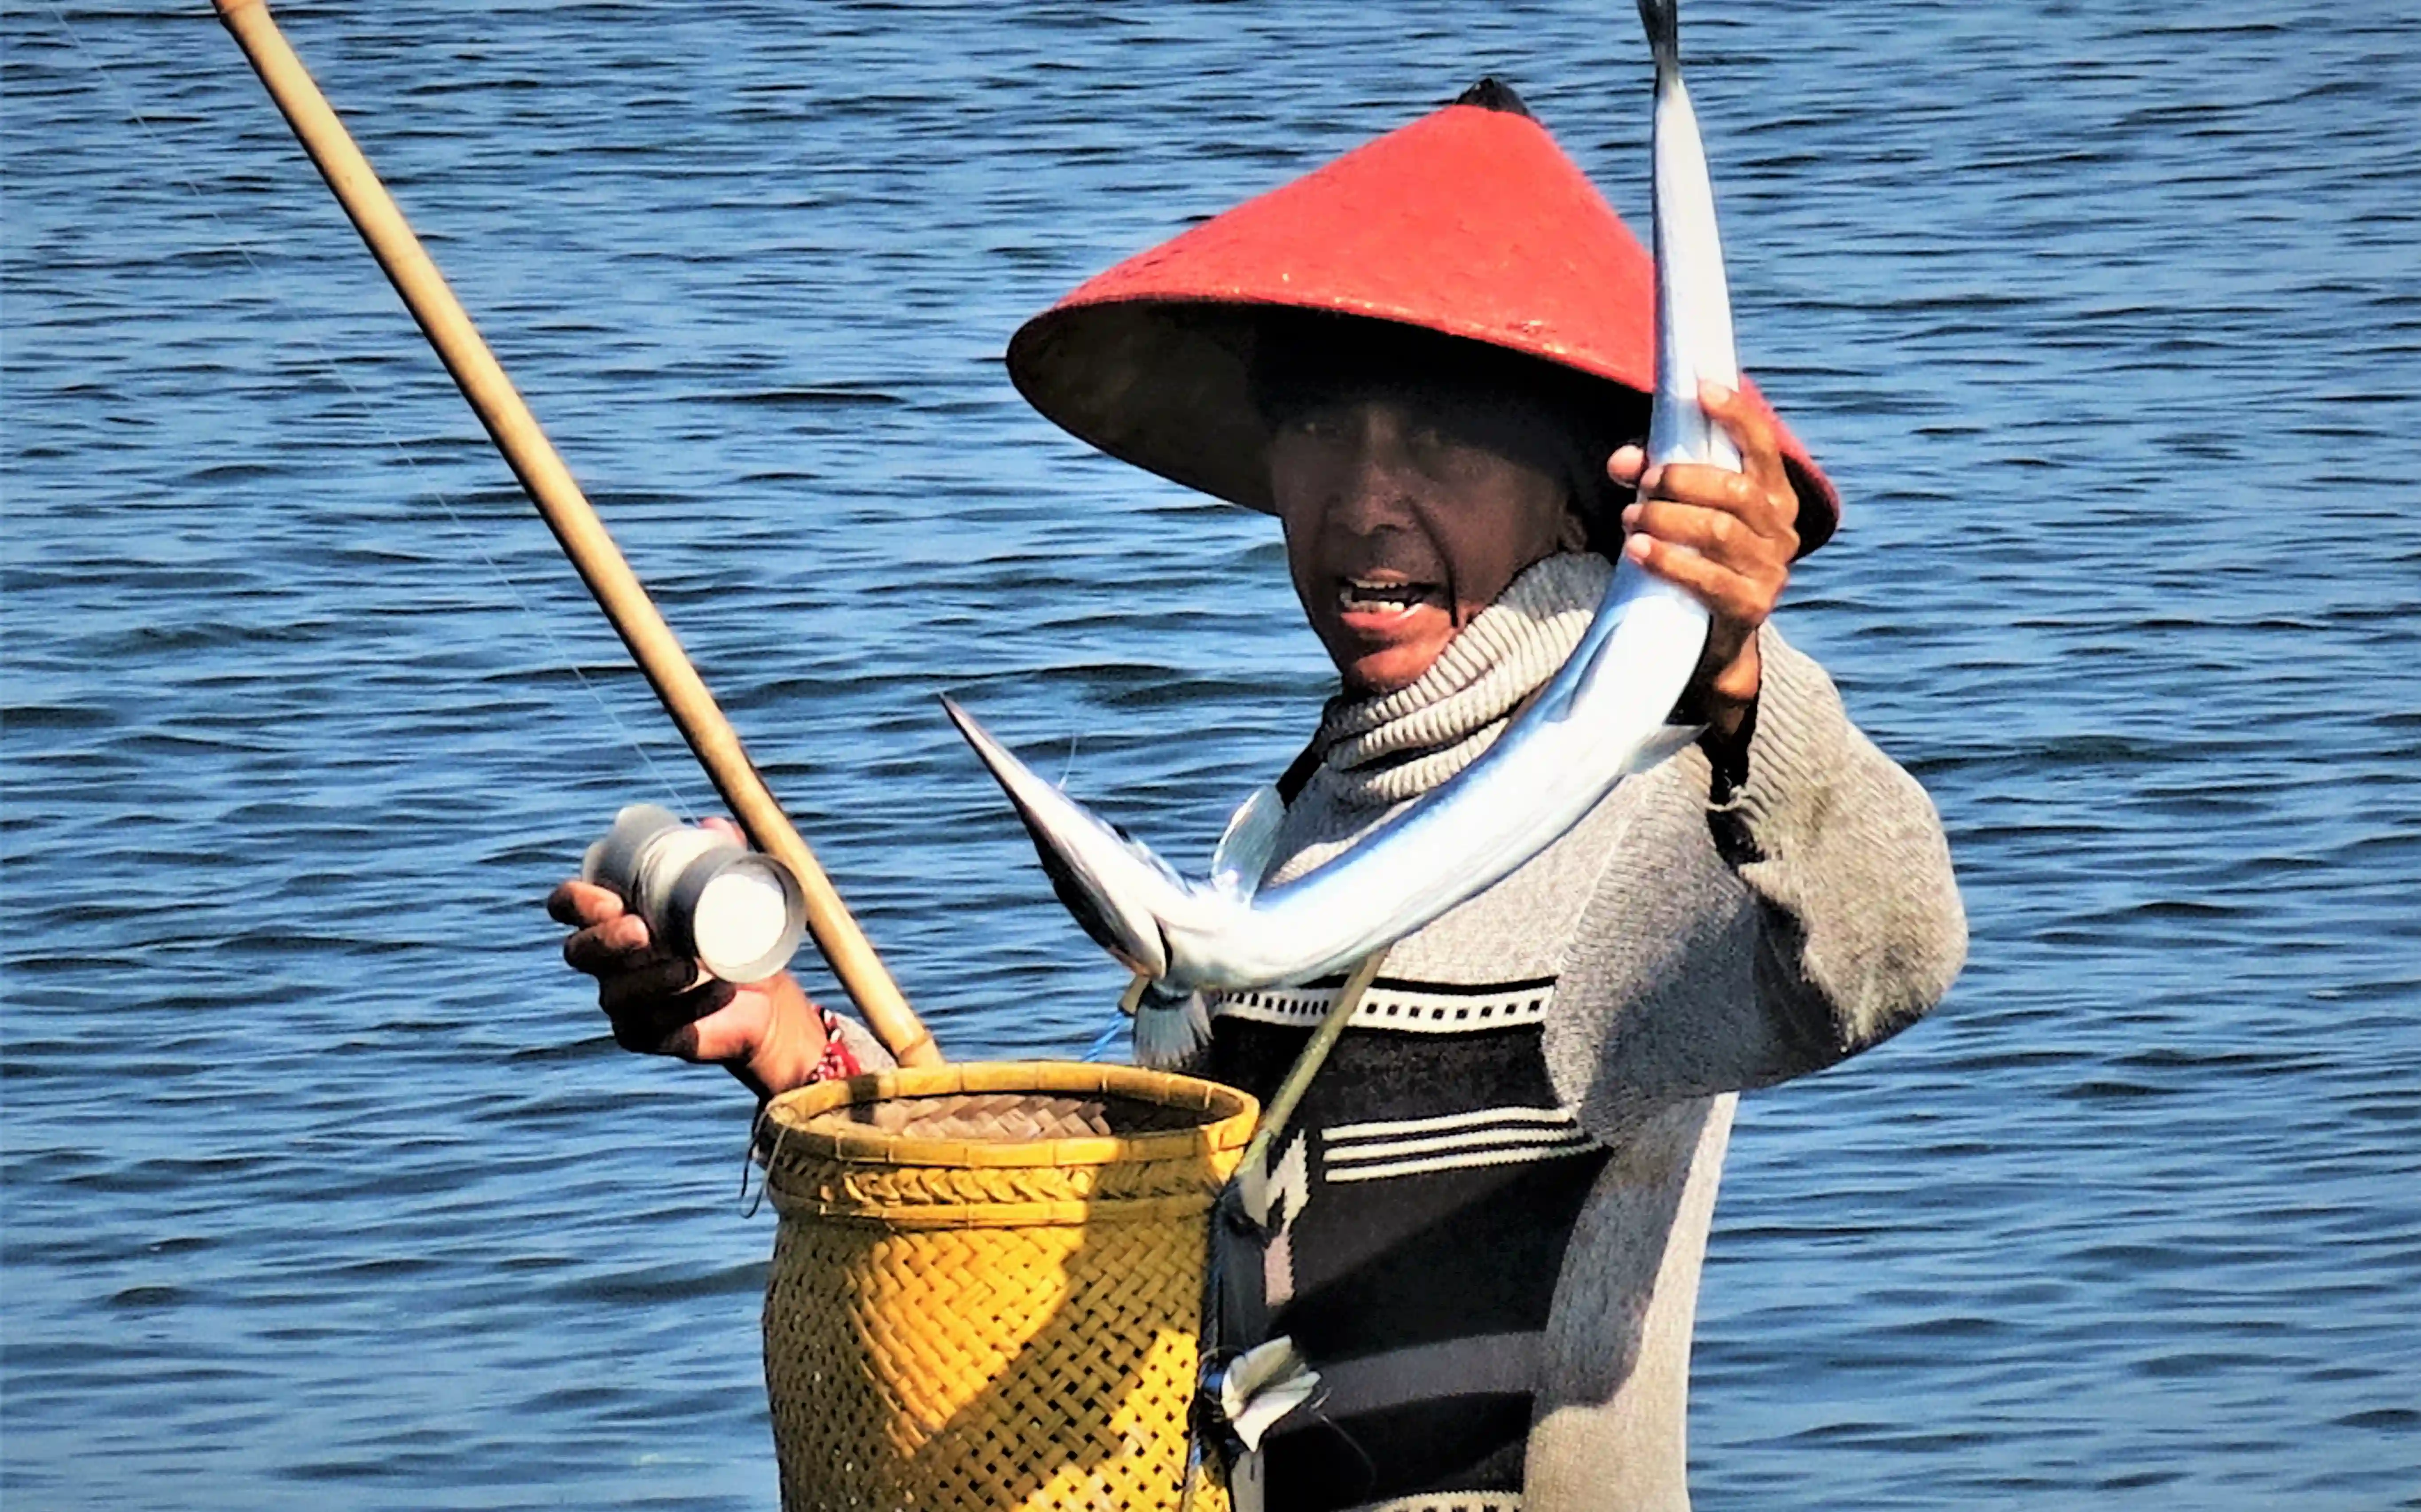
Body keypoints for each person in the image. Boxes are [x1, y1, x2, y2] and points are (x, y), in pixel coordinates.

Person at [550, 81, 1964, 1512]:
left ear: (1578, 489)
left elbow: (1885, 950)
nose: (1361, 501)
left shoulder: (1652, 814)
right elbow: (1118, 1256)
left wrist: (1734, 669)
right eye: (1319, 430)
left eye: (1438, 440)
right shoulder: (1287, 835)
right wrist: (798, 1056)